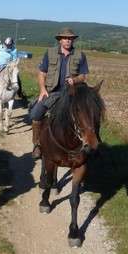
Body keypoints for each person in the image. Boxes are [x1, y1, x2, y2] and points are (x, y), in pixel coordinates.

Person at [29, 28, 89, 159]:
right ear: (60, 40)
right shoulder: (50, 53)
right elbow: (41, 73)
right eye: (65, 38)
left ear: (73, 40)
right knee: (35, 114)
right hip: (52, 92)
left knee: (87, 116)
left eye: (70, 38)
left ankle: (89, 144)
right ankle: (37, 144)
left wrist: (75, 79)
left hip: (72, 94)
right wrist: (42, 90)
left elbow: (83, 75)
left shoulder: (80, 55)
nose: (68, 40)